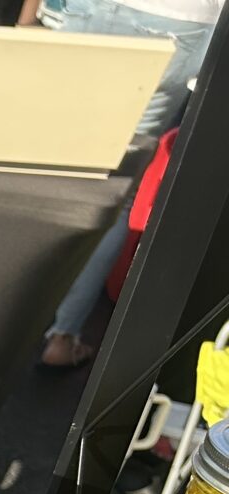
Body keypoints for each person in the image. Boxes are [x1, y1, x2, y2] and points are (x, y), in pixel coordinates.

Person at [29, 0, 221, 368]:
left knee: (46, 169)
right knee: (115, 189)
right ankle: (63, 335)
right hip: (180, 20)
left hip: (93, 7)